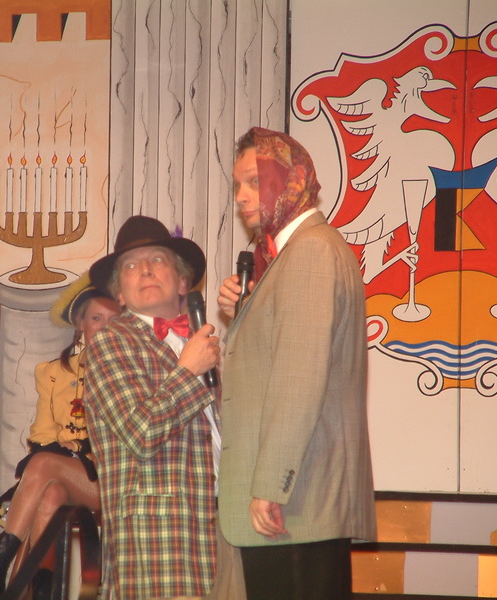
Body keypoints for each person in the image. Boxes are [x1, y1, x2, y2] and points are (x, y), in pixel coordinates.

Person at [217, 127, 377, 599]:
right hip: (299, 500)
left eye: (253, 181)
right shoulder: (295, 254)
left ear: (288, 181)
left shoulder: (309, 252)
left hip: (294, 501)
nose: (241, 197)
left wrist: (271, 485)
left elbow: (299, 378)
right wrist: (246, 310)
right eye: (238, 185)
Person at [84, 215, 242, 600]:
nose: (145, 270)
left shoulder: (203, 345)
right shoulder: (110, 343)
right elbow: (141, 432)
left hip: (225, 527)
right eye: (131, 266)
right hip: (158, 540)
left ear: (183, 282)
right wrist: (189, 370)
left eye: (157, 260)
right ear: (120, 295)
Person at [0, 273, 120, 600]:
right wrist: (63, 446)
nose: (104, 327)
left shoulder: (130, 369)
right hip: (67, 473)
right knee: (50, 494)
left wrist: (80, 445)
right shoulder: (53, 372)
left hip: (114, 480)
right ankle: (38, 591)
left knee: (43, 465)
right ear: (81, 325)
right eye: (96, 318)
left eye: (113, 320)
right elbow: (41, 433)